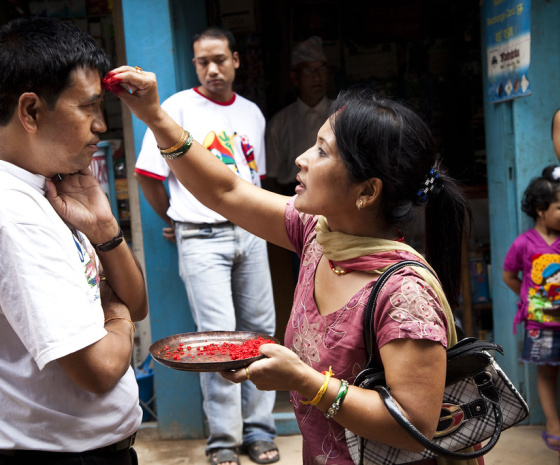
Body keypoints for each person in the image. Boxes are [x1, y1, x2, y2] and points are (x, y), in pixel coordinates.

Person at [107, 66, 475, 465]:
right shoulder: (318, 235)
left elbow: (415, 424)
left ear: (367, 191)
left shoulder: (404, 295)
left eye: (322, 150)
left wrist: (303, 381)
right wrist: (155, 117)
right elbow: (225, 190)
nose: (300, 158)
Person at [0, 16, 148, 465]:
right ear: (30, 111)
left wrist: (104, 230)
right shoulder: (15, 215)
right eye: (88, 107)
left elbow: (136, 301)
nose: (101, 125)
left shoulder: (48, 189)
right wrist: (117, 316)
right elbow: (101, 367)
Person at [133, 27, 278, 465]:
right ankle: (223, 441)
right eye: (202, 62)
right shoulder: (175, 108)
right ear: (195, 64)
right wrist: (175, 218)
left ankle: (259, 432)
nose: (212, 69)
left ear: (235, 59)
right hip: (201, 238)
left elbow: (257, 182)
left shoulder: (252, 112)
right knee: (216, 343)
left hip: (250, 236)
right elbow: (149, 176)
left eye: (220, 59)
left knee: (260, 335)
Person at [503, 165, 560, 454]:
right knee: (547, 374)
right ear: (541, 209)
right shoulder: (524, 244)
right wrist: (527, 298)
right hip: (540, 325)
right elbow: (509, 275)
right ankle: (553, 424)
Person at [265, 36, 332, 196]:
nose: (317, 76)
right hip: (293, 196)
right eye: (309, 70)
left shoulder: (342, 115)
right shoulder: (280, 123)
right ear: (295, 78)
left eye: (322, 69)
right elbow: (272, 176)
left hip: (334, 193)